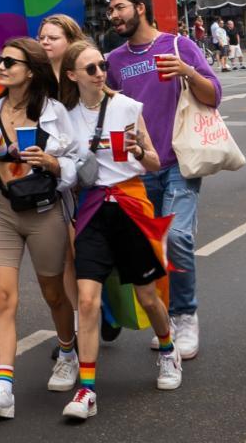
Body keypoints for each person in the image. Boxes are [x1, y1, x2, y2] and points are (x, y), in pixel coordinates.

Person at [59, 40, 180, 420]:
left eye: (102, 66)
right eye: (91, 68)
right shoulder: (66, 116)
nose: (100, 73)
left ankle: (167, 350)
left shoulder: (127, 107)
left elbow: (155, 161)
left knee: (147, 297)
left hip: (129, 205)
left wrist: (138, 150)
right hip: (93, 209)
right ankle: (88, 389)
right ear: (72, 75)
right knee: (89, 301)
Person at [0, 37, 84, 417]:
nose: (1, 66)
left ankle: (68, 352)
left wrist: (50, 163)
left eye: (10, 62)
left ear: (29, 71)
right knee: (2, 298)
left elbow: (75, 163)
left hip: (45, 212)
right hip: (3, 210)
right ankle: (3, 391)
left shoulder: (53, 112)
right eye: (0, 60)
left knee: (53, 294)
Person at [103, 0, 221, 361]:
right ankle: (165, 318)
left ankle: (186, 317)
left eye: (119, 7)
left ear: (140, 8)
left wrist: (187, 71)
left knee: (180, 238)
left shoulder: (177, 46)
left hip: (178, 163)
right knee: (151, 248)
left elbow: (213, 94)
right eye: (110, 10)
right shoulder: (114, 61)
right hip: (136, 169)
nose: (113, 16)